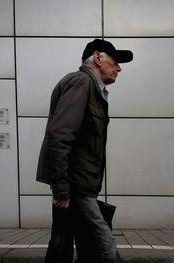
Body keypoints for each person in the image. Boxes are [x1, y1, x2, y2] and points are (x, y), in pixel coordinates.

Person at [36, 39, 133, 263]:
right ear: (98, 58)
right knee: (104, 244)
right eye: (115, 61)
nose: (119, 68)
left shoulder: (94, 90)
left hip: (78, 185)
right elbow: (60, 136)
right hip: (77, 187)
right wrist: (61, 189)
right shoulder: (81, 82)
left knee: (64, 244)